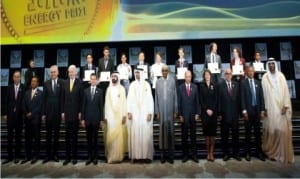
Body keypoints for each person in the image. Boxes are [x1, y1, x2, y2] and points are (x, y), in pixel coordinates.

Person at [261, 58, 294, 164]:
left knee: (282, 130)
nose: (271, 65)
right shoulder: (265, 78)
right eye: (269, 64)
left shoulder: (281, 76)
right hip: (270, 109)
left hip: (281, 108)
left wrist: (285, 105)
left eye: (272, 64)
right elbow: (263, 95)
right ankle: (272, 153)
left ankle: (282, 153)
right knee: (273, 130)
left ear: (275, 65)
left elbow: (286, 92)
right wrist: (264, 108)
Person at [127, 68, 154, 163]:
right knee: (135, 134)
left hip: (145, 113)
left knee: (145, 134)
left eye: (139, 73)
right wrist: (129, 112)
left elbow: (150, 100)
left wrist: (150, 113)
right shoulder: (132, 85)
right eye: (136, 73)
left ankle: (146, 156)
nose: (137, 74)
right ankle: (135, 156)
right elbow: (129, 99)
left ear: (142, 74)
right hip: (134, 114)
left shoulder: (147, 85)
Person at [241, 65, 266, 161]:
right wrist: (244, 111)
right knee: (247, 134)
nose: (251, 73)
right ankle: (247, 153)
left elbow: (261, 98)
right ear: (247, 72)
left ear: (254, 72)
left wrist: (262, 110)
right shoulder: (243, 83)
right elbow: (242, 98)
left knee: (257, 134)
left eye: (252, 71)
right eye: (249, 71)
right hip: (248, 113)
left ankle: (259, 153)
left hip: (257, 112)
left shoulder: (258, 83)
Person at [154, 65, 177, 164]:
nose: (164, 72)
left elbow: (175, 96)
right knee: (162, 133)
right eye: (163, 70)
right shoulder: (158, 81)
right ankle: (162, 155)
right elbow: (156, 98)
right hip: (161, 111)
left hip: (170, 110)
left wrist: (175, 111)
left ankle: (170, 155)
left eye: (166, 70)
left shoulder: (172, 80)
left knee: (170, 133)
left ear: (168, 71)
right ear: (161, 71)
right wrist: (157, 112)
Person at [104, 71, 127, 164]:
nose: (114, 78)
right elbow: (106, 104)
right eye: (112, 76)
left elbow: (124, 102)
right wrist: (105, 116)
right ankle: (111, 157)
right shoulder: (108, 89)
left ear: (118, 78)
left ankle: (119, 157)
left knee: (118, 138)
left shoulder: (122, 89)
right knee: (111, 137)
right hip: (110, 117)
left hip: (119, 116)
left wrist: (124, 115)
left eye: (115, 76)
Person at [61, 65, 83, 165]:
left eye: (72, 72)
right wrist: (62, 112)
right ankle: (67, 157)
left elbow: (81, 99)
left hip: (75, 114)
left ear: (75, 72)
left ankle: (74, 157)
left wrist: (80, 112)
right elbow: (62, 98)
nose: (71, 73)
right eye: (69, 72)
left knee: (74, 137)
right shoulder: (64, 82)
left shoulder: (80, 83)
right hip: (66, 113)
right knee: (67, 137)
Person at [2, 71, 25, 164]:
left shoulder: (23, 88)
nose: (16, 78)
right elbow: (5, 101)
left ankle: (17, 156)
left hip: (19, 117)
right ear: (12, 78)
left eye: (18, 77)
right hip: (10, 117)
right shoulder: (9, 87)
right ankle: (9, 157)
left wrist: (24, 113)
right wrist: (5, 113)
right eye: (15, 77)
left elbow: (25, 102)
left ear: (20, 78)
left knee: (18, 137)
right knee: (10, 137)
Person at [218, 68, 241, 161]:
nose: (228, 75)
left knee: (235, 135)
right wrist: (219, 113)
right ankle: (226, 154)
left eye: (229, 73)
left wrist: (240, 112)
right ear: (224, 75)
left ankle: (236, 153)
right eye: (226, 73)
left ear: (232, 74)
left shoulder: (237, 84)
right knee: (225, 136)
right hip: (224, 115)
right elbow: (218, 100)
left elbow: (239, 99)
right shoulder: (220, 85)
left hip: (235, 115)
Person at [42, 65, 64, 164]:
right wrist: (43, 113)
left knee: (56, 136)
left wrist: (62, 112)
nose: (53, 74)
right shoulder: (46, 83)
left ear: (58, 72)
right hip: (48, 114)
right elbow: (43, 99)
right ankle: (47, 155)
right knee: (48, 135)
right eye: (51, 72)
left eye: (54, 72)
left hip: (58, 114)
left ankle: (55, 155)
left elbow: (63, 98)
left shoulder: (62, 83)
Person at [177, 70, 200, 163]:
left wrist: (198, 113)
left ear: (191, 77)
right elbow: (179, 102)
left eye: (189, 76)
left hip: (193, 116)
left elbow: (197, 101)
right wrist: (180, 115)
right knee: (184, 137)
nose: (188, 78)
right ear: (184, 77)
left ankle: (194, 155)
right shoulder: (180, 87)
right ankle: (185, 155)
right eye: (186, 76)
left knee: (193, 137)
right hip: (184, 116)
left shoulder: (195, 87)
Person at [81, 73, 103, 165]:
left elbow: (101, 106)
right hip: (87, 119)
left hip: (96, 119)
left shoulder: (100, 91)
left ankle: (95, 157)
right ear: (90, 80)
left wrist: (101, 119)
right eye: (92, 79)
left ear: (97, 80)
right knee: (89, 139)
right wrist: (82, 119)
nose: (93, 81)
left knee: (95, 139)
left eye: (95, 79)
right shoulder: (85, 91)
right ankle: (89, 157)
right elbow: (83, 106)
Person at [21, 76, 43, 164]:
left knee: (36, 139)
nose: (33, 83)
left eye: (34, 81)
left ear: (37, 83)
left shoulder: (41, 93)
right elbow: (23, 104)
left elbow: (40, 106)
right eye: (32, 81)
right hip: (27, 120)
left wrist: (32, 113)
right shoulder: (26, 93)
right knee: (28, 139)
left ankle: (35, 156)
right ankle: (28, 155)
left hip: (36, 120)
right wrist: (27, 113)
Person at [199, 69, 218, 162]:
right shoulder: (201, 86)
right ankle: (208, 153)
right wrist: (206, 109)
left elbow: (216, 99)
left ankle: (212, 153)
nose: (207, 76)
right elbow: (201, 100)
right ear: (204, 76)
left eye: (208, 74)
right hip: (205, 113)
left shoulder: (214, 85)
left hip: (213, 113)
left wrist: (212, 109)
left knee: (213, 135)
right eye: (205, 74)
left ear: (210, 76)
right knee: (207, 135)